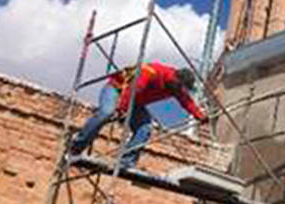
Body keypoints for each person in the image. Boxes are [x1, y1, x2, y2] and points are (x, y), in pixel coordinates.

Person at [70, 62, 208, 169]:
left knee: (145, 128)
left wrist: (200, 116)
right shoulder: (153, 71)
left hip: (136, 102)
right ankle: (76, 146)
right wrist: (121, 109)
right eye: (179, 87)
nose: (179, 91)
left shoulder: (176, 87)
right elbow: (133, 89)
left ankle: (125, 161)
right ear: (175, 79)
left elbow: (187, 102)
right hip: (117, 89)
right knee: (106, 113)